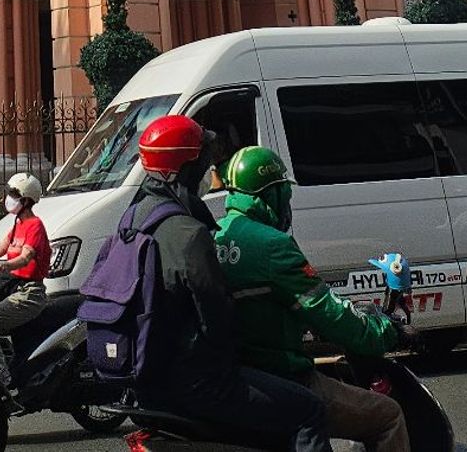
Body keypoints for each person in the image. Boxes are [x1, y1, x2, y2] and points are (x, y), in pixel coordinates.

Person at [124, 117, 334, 452]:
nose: (212, 173)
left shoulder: (135, 217)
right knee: (308, 410)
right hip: (198, 381)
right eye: (206, 163)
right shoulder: (187, 232)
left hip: (147, 379)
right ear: (187, 168)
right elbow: (217, 313)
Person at [215, 145, 409, 452]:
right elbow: (327, 311)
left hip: (236, 375)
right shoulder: (272, 245)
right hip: (282, 375)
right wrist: (384, 333)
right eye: (285, 196)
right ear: (273, 194)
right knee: (389, 416)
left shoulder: (215, 236)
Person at [0, 171, 52, 390]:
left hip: (30, 293)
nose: (7, 198)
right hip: (13, 289)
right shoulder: (18, 223)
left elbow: (25, 257)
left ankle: (3, 376)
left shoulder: (35, 225)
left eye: (13, 194)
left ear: (26, 200)